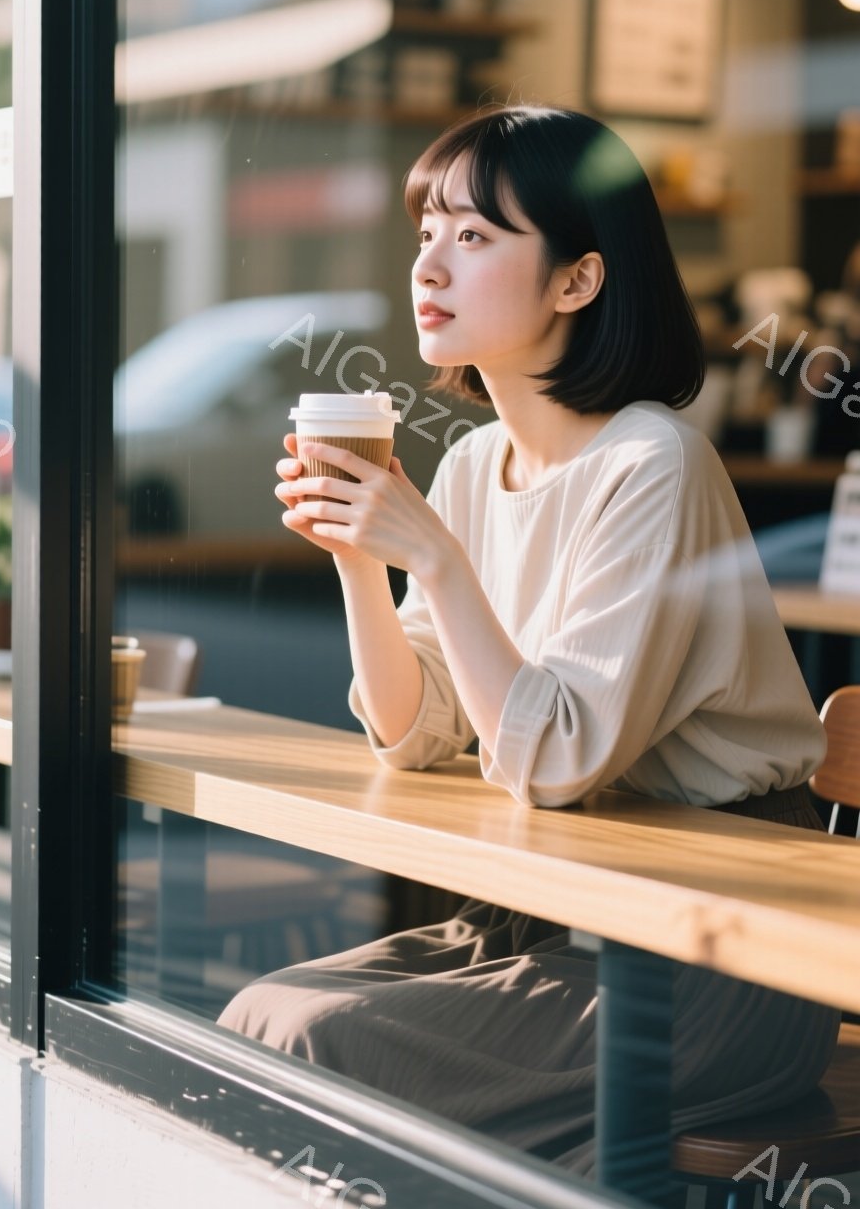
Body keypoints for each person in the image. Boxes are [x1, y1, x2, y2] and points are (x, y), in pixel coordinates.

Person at [218, 104, 840, 1177]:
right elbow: (418, 736)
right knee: (259, 1013)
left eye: (473, 236)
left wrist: (441, 562)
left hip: (713, 947)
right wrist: (360, 558)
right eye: (426, 232)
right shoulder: (469, 463)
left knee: (312, 1037)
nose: (430, 263)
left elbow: (552, 762)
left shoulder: (653, 462)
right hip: (553, 919)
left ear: (575, 281)